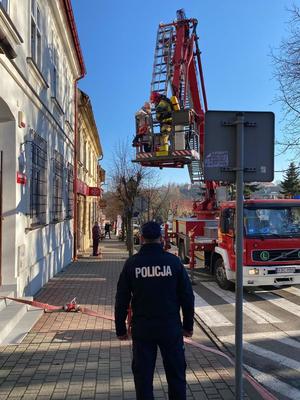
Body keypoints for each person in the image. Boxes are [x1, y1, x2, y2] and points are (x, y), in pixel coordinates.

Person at [115, 221, 194, 400]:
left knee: (143, 378)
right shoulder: (173, 262)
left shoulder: (132, 264)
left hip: (143, 329)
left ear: (142, 238)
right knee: (176, 376)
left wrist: (120, 328)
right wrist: (188, 326)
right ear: (161, 238)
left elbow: (121, 299)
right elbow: (187, 297)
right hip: (170, 328)